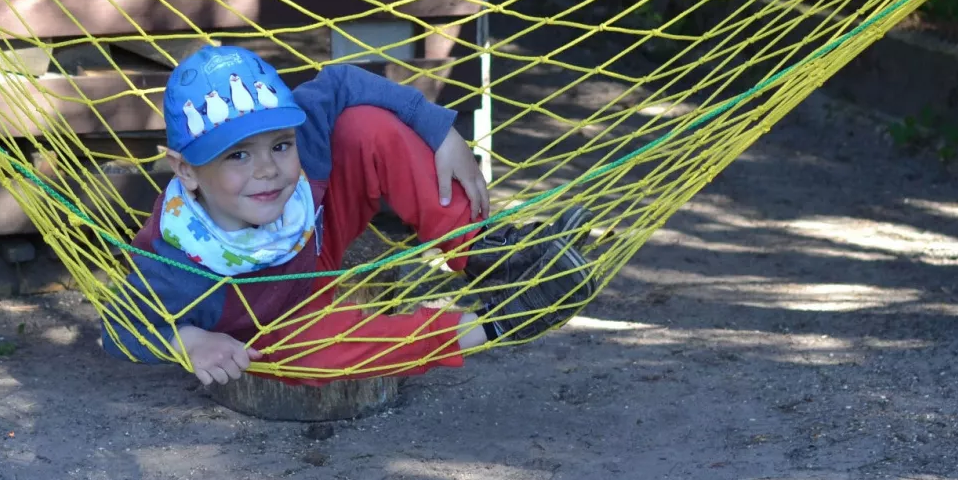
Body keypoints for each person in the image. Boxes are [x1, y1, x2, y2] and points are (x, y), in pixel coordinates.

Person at [101, 44, 592, 386]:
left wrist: (439, 131)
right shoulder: (176, 258)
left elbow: (343, 81)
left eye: (278, 144)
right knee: (308, 356)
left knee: (364, 126)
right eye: (237, 156)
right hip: (277, 328)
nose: (268, 168)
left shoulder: (301, 150)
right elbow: (120, 324)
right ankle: (496, 324)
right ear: (186, 170)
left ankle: (490, 255)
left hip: (315, 240)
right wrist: (189, 339)